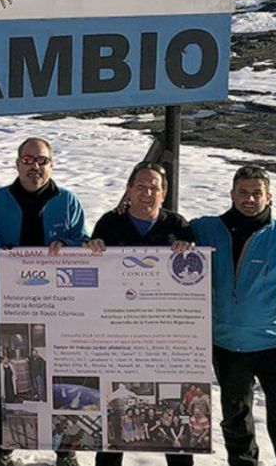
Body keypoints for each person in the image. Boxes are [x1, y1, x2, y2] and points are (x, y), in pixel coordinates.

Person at [191, 165, 276, 466]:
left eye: (256, 193)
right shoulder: (207, 229)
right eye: (243, 192)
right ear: (232, 194)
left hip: (272, 346)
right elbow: (169, 234)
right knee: (236, 425)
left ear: (269, 197)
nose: (249, 199)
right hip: (226, 346)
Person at [0, 137, 93, 466]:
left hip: (61, 310)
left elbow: (83, 243)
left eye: (41, 160)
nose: (34, 166)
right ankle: (3, 449)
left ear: (51, 165)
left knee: (65, 381)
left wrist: (65, 243)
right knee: (10, 381)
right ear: (17, 164)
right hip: (10, 307)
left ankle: (66, 451)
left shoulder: (67, 201)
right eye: (28, 160)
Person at [89, 161, 196, 466]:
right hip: (118, 334)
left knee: (172, 412)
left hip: (165, 336)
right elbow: (94, 274)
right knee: (115, 409)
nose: (147, 192)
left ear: (164, 193)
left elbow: (194, 276)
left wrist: (191, 246)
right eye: (141, 186)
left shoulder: (177, 225)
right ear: (128, 189)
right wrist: (92, 246)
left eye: (155, 187)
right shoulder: (110, 223)